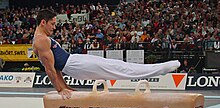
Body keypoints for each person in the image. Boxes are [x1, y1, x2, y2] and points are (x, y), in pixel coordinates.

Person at [33, 9, 180, 99]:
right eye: (52, 24)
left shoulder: (42, 39)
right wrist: (60, 89)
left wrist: (66, 87)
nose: (54, 27)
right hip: (75, 66)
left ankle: (158, 70)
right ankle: (160, 69)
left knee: (118, 66)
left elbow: (56, 68)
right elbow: (50, 69)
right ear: (43, 22)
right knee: (119, 69)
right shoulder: (41, 40)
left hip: (75, 63)